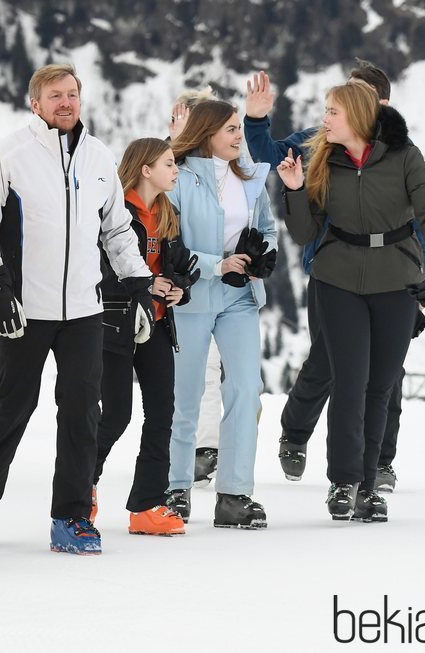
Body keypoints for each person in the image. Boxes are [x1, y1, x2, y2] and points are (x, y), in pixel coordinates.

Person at [0, 64, 154, 555]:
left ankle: (70, 517)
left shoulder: (99, 158)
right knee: (11, 404)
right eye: (54, 96)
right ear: (34, 103)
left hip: (84, 308)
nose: (65, 103)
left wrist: (138, 282)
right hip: (24, 307)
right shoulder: (9, 154)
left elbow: (118, 230)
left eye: (72, 94)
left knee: (83, 411)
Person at [277, 79, 425, 522]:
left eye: (332, 112)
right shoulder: (319, 157)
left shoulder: (404, 156)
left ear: (357, 116)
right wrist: (296, 191)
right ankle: (343, 483)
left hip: (397, 281)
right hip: (336, 280)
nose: (324, 120)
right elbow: (303, 233)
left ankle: (368, 484)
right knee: (349, 381)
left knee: (380, 385)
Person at [244, 61, 417, 493]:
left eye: (359, 95)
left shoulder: (397, 149)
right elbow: (266, 154)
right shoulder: (318, 139)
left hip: (392, 279)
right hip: (332, 274)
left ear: (382, 104)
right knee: (328, 364)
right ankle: (296, 434)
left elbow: (413, 220)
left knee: (386, 375)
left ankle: (379, 463)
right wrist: (256, 119)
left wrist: (422, 273)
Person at [165, 100, 278, 530]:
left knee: (247, 389)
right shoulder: (177, 176)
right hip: (191, 295)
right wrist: (217, 263)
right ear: (207, 131)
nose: (238, 136)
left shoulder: (249, 177)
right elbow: (167, 241)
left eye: (239, 129)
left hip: (239, 297)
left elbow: (266, 229)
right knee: (186, 395)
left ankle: (234, 495)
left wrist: (260, 255)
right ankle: (176, 489)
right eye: (230, 129)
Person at [91, 138, 194, 536]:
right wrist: (151, 283)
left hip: (157, 323)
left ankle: (147, 506)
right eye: (169, 163)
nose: (176, 170)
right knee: (115, 414)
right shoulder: (114, 211)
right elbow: (103, 268)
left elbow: (177, 265)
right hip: (115, 322)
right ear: (146, 169)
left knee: (162, 415)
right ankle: (83, 486)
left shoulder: (167, 213)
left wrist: (178, 287)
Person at [169, 87, 225, 488]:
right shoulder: (169, 164)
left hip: (221, 283)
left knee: (209, 370)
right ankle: (182, 448)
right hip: (177, 281)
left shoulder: (224, 164)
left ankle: (206, 449)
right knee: (184, 374)